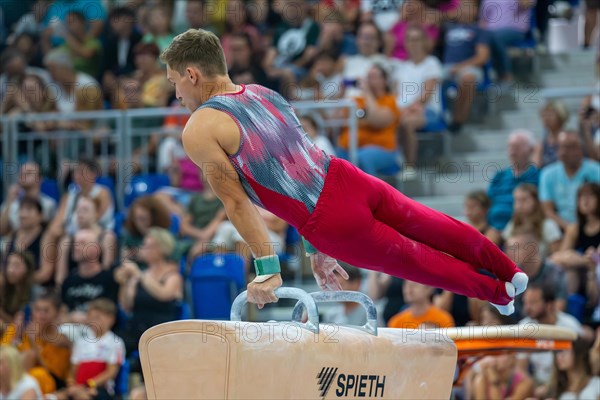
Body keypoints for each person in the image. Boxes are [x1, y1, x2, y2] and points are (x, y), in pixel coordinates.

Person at [160, 28, 528, 315]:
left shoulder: (199, 127)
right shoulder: (262, 92)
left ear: (192, 74)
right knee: (433, 223)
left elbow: (237, 203)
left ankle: (495, 291)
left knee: (418, 261)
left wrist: (268, 267)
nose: (176, 93)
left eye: (174, 81)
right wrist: (314, 246)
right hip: (347, 177)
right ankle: (510, 271)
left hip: (329, 219)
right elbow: (297, 166)